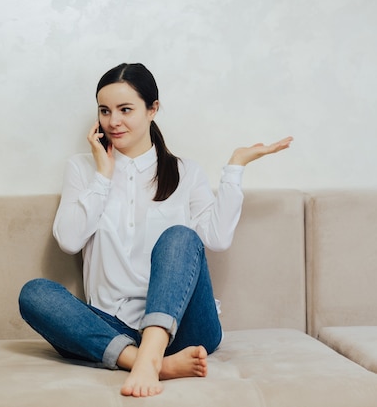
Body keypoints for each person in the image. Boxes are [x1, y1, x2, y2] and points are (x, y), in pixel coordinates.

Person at [18, 63, 293, 398]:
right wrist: (103, 176)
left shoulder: (186, 172)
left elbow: (217, 239)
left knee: (179, 237)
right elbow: (69, 240)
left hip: (186, 329)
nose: (113, 121)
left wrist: (235, 167)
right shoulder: (82, 168)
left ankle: (148, 356)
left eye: (125, 109)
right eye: (104, 111)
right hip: (113, 326)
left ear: (153, 109)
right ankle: (153, 363)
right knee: (34, 294)